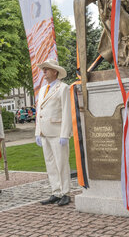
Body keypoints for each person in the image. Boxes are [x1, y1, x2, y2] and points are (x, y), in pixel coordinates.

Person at [34, 59, 72, 206]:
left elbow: (67, 112)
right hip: (45, 132)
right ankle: (55, 191)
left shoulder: (63, 88)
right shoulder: (43, 89)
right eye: (43, 69)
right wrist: (38, 131)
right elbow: (39, 112)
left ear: (55, 71)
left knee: (61, 163)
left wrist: (64, 134)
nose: (44, 72)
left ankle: (65, 192)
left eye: (47, 69)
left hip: (57, 132)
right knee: (50, 163)